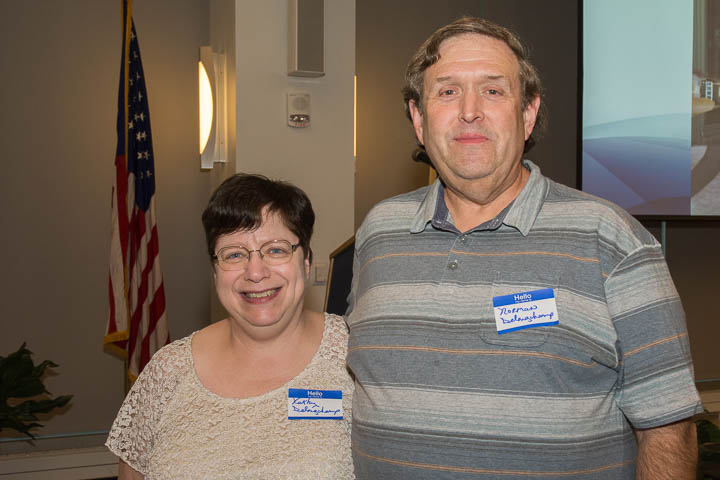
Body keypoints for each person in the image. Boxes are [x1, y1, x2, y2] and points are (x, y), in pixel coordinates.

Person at [346, 17, 703, 479]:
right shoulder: (378, 232)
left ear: (528, 113)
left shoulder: (611, 239)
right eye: (447, 91)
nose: (469, 110)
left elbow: (668, 430)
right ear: (419, 117)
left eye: (493, 91)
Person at [106, 174, 355, 479]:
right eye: (234, 254)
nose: (255, 272)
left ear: (305, 262)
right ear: (214, 273)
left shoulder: (356, 354)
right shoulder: (166, 372)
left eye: (276, 250)